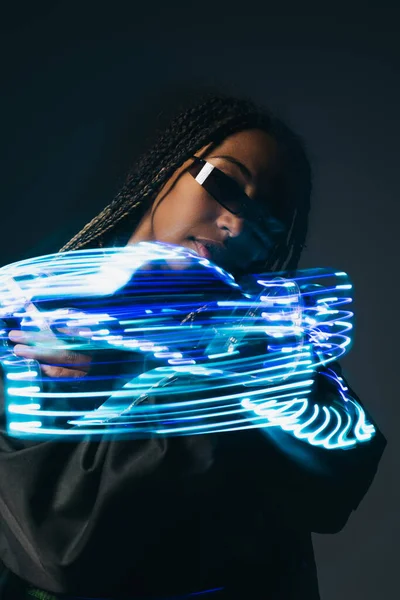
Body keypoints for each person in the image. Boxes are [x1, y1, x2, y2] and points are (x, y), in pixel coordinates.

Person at [0, 93, 387, 599]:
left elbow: (336, 481)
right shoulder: (27, 318)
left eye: (268, 219)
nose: (239, 224)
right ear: (168, 168)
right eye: (224, 185)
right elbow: (60, 541)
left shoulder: (265, 338)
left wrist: (134, 368)